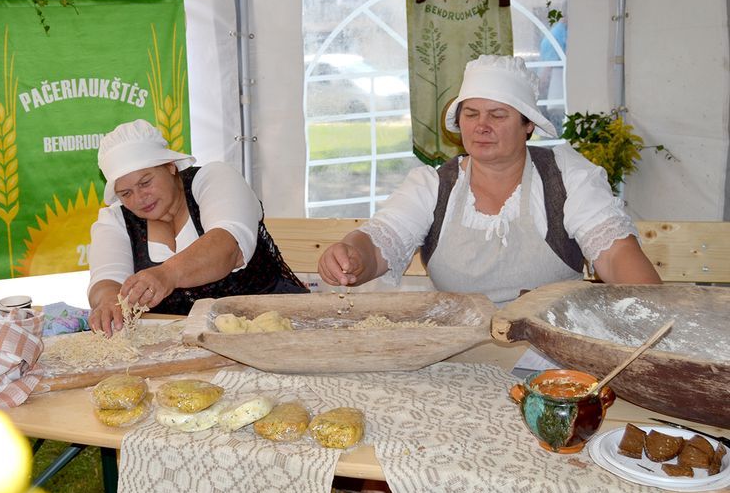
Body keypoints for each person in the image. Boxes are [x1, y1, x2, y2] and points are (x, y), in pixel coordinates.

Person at [318, 55, 661, 303]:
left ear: (528, 124)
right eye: (471, 114)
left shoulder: (567, 176)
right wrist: (352, 256)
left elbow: (615, 254)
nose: (481, 126)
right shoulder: (432, 186)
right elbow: (382, 241)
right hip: (458, 354)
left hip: (553, 355)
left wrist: (656, 311)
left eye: (498, 115)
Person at [88, 119, 308, 334]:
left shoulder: (214, 178)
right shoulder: (116, 219)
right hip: (185, 344)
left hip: (280, 325)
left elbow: (227, 248)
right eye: (125, 193)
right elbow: (106, 278)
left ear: (170, 166)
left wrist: (167, 274)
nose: (139, 198)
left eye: (145, 183)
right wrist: (109, 300)